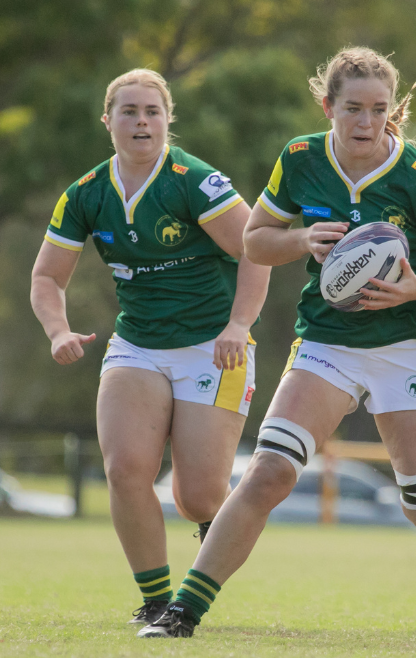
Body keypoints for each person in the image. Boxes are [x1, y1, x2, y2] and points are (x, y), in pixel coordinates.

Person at [137, 47, 416, 639]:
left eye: (377, 110)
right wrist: (301, 240)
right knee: (269, 470)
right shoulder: (299, 159)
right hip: (326, 342)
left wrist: (415, 288)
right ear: (328, 106)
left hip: (408, 345)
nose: (366, 124)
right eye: (352, 109)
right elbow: (255, 241)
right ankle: (182, 612)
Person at [30, 69, 270, 626]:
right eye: (130, 111)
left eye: (153, 112)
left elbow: (256, 249)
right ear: (108, 120)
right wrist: (59, 331)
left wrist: (239, 324)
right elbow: (47, 277)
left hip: (214, 346)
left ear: (167, 120)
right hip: (137, 345)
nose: (142, 121)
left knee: (200, 498)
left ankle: (217, 526)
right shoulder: (86, 194)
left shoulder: (194, 180)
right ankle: (159, 600)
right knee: (126, 469)